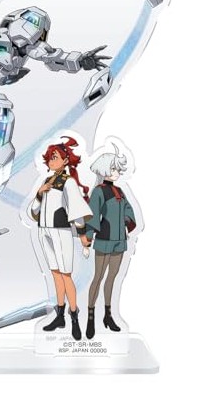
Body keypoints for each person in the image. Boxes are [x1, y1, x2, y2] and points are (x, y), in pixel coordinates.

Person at [29, 137, 92, 340]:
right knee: (55, 274)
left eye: (55, 157)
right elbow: (34, 213)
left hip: (61, 231)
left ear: (65, 160)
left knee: (65, 275)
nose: (51, 161)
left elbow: (76, 210)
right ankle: (60, 316)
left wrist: (82, 235)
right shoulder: (46, 182)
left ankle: (74, 318)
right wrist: (39, 194)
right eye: (49, 158)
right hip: (44, 231)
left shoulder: (68, 182)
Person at [80, 144, 137, 337]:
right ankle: (90, 317)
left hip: (119, 240)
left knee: (112, 277)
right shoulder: (99, 191)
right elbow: (93, 215)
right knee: (98, 277)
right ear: (104, 169)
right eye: (113, 168)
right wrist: (88, 240)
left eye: (118, 169)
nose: (117, 172)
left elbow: (129, 210)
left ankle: (108, 315)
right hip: (104, 239)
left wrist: (126, 221)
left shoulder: (119, 191)